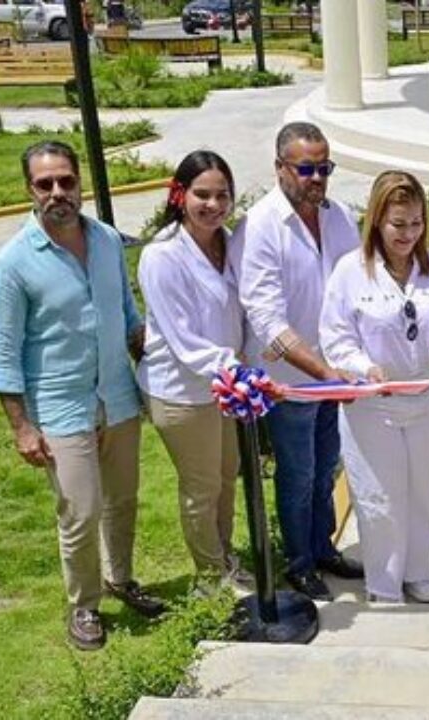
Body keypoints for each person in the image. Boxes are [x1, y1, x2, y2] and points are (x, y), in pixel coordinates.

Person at [0, 141, 165, 651]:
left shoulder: (107, 239)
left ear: (80, 183)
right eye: (45, 184)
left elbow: (128, 314)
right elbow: (2, 353)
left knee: (123, 500)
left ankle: (121, 578)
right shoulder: (12, 265)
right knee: (81, 511)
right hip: (61, 408)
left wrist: (161, 353)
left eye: (66, 181)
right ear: (29, 190)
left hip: (119, 397)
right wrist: (22, 427)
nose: (57, 193)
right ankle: (84, 605)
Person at [320, 171, 429, 604]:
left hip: (428, 403)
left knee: (423, 490)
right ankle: (384, 585)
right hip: (374, 409)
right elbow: (336, 335)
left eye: (417, 223)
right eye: (398, 224)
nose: (408, 234)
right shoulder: (350, 271)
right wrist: (364, 366)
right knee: (380, 497)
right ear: (377, 220)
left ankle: (418, 570)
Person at [232, 121, 364, 602]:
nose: (316, 178)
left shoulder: (340, 217)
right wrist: (323, 373)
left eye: (324, 168)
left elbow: (357, 287)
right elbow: (266, 317)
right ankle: (300, 562)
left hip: (336, 373)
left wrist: (352, 363)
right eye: (306, 168)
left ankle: (322, 547)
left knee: (328, 464)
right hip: (290, 381)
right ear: (280, 168)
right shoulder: (259, 227)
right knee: (299, 471)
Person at [137, 151, 253, 597]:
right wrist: (241, 372)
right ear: (180, 195)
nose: (213, 204)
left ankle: (224, 561)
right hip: (182, 393)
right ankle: (210, 579)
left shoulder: (230, 243)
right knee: (202, 487)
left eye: (222, 195)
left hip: (225, 389)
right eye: (202, 194)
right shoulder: (162, 256)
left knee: (227, 478)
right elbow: (185, 344)